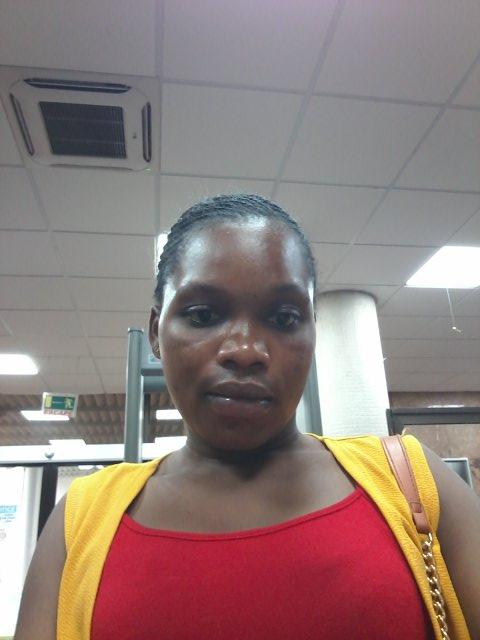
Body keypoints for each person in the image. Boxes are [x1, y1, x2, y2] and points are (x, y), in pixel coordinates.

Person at [14, 194, 479, 640]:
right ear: (156, 332)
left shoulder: (410, 482)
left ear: (312, 333)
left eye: (283, 318)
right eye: (203, 315)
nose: (245, 350)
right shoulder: (80, 520)